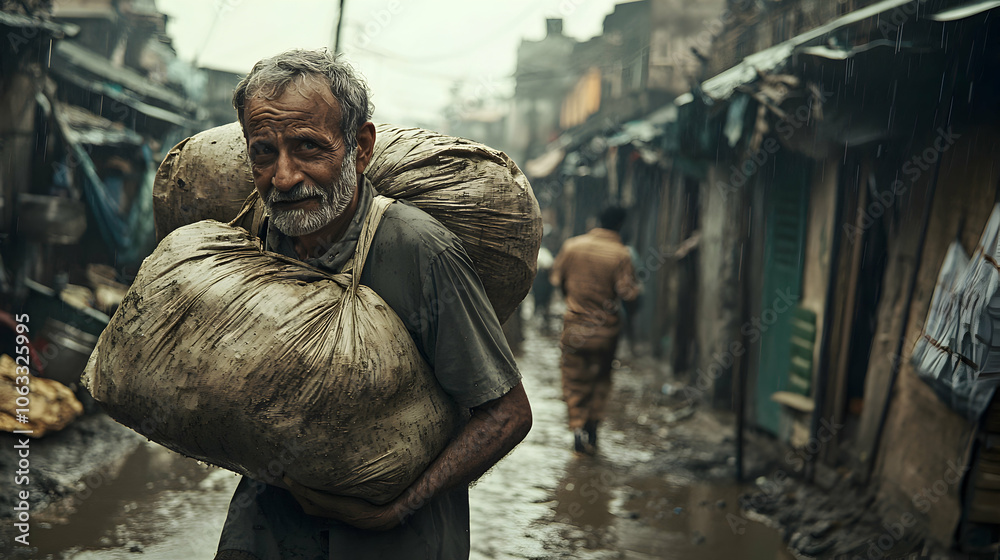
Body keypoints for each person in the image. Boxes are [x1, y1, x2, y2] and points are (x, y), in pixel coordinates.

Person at [214, 49, 532, 560]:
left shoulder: (416, 249)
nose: (285, 177)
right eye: (263, 152)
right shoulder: (253, 237)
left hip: (395, 541)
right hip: (267, 530)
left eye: (308, 148)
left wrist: (399, 506)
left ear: (360, 147)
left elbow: (507, 413)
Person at [549, 206, 639, 454]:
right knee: (600, 379)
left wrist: (573, 301)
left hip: (575, 329)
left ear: (596, 220)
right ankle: (593, 427)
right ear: (620, 225)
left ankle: (577, 426)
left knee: (573, 379)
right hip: (605, 333)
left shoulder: (572, 246)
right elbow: (627, 293)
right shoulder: (621, 254)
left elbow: (557, 280)